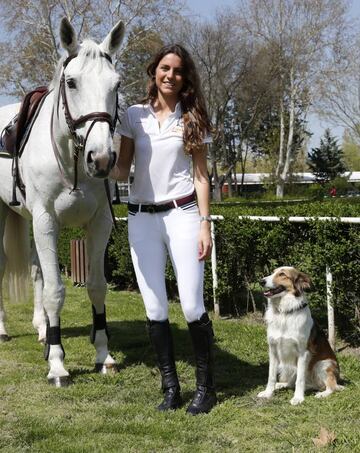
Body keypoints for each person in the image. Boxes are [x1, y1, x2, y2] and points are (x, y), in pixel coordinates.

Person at [111, 44, 217, 415]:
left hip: (184, 215)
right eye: (164, 68)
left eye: (178, 71)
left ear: (185, 78)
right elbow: (122, 170)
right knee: (155, 307)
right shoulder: (133, 116)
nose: (170, 75)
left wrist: (205, 224)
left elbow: (201, 176)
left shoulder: (192, 117)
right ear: (153, 71)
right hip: (140, 218)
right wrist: (98, 159)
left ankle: (206, 388)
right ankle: (171, 388)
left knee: (191, 304)